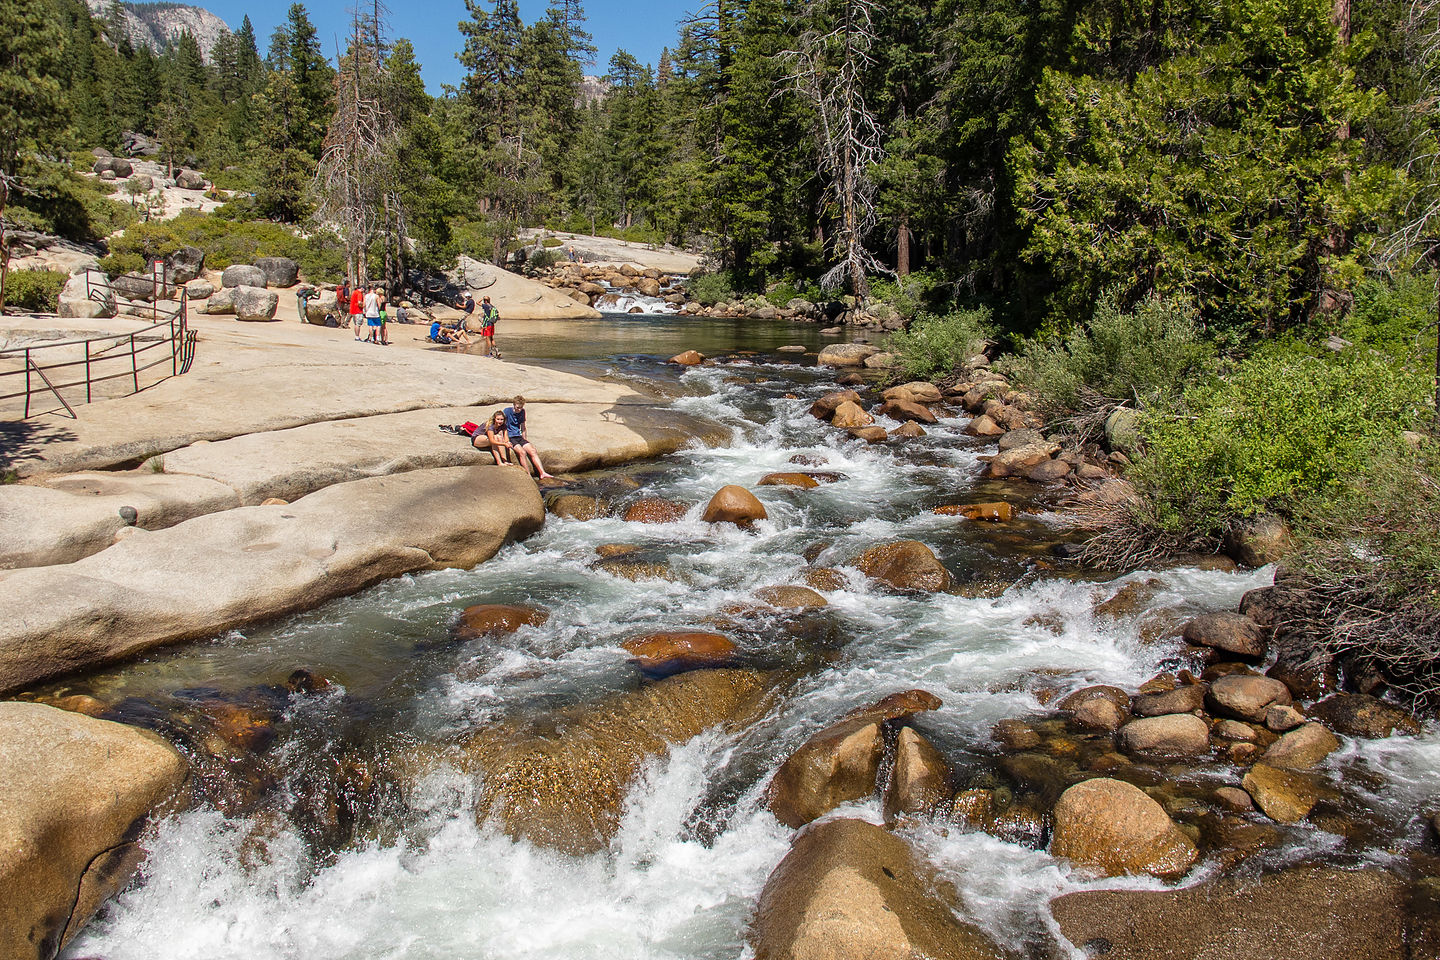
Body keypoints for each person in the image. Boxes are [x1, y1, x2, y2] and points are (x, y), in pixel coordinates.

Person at [502, 396, 553, 479]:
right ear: (514, 405)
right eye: (518, 407)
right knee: (522, 452)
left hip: (518, 436)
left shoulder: (522, 412)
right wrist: (505, 440)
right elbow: (502, 426)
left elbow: (523, 427)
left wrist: (524, 440)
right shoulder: (507, 411)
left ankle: (542, 473)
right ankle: (528, 475)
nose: (519, 409)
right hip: (510, 436)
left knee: (533, 450)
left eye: (521, 408)